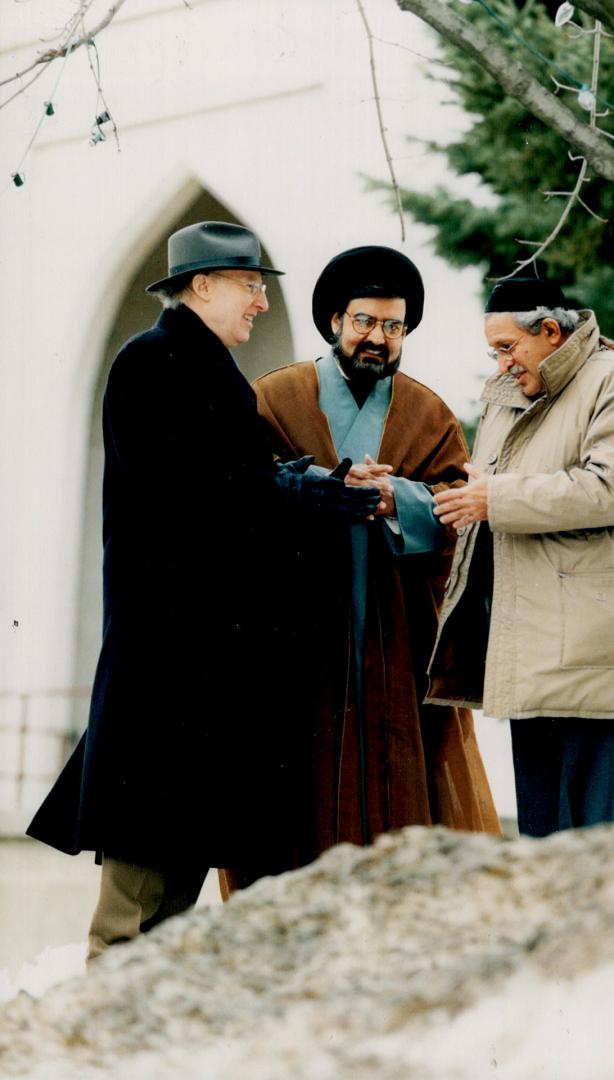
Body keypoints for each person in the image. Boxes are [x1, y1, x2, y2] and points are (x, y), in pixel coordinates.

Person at [26, 222, 379, 958]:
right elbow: (200, 496)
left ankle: (146, 1041)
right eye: (250, 286)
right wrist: (313, 495)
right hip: (171, 656)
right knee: (139, 883)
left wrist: (316, 487)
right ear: (203, 286)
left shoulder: (195, 365)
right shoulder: (156, 362)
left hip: (196, 659)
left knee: (173, 868)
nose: (259, 302)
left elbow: (231, 487)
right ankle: (104, 1044)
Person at [219, 245, 500, 895]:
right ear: (334, 322)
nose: (379, 339)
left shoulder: (426, 414)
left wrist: (395, 498)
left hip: (396, 638)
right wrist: (327, 487)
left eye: (393, 327)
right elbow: (243, 492)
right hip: (294, 638)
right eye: (365, 323)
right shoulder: (274, 399)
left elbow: (458, 511)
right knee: (296, 784)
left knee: (399, 777)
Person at [429, 276, 614, 838]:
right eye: (494, 351)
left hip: (590, 651)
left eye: (507, 347)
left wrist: (496, 496)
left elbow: (612, 488)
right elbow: (489, 488)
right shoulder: (508, 394)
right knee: (542, 846)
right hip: (528, 651)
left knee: (591, 847)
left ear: (551, 332)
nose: (501, 362)